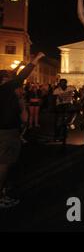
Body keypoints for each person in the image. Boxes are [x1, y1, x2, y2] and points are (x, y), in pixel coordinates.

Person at [0, 53, 45, 208]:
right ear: (4, 80)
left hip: (8, 131)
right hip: (6, 132)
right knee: (4, 163)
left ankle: (3, 190)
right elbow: (22, 76)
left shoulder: (8, 93)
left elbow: (24, 117)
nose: (12, 79)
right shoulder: (6, 88)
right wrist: (36, 59)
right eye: (9, 77)